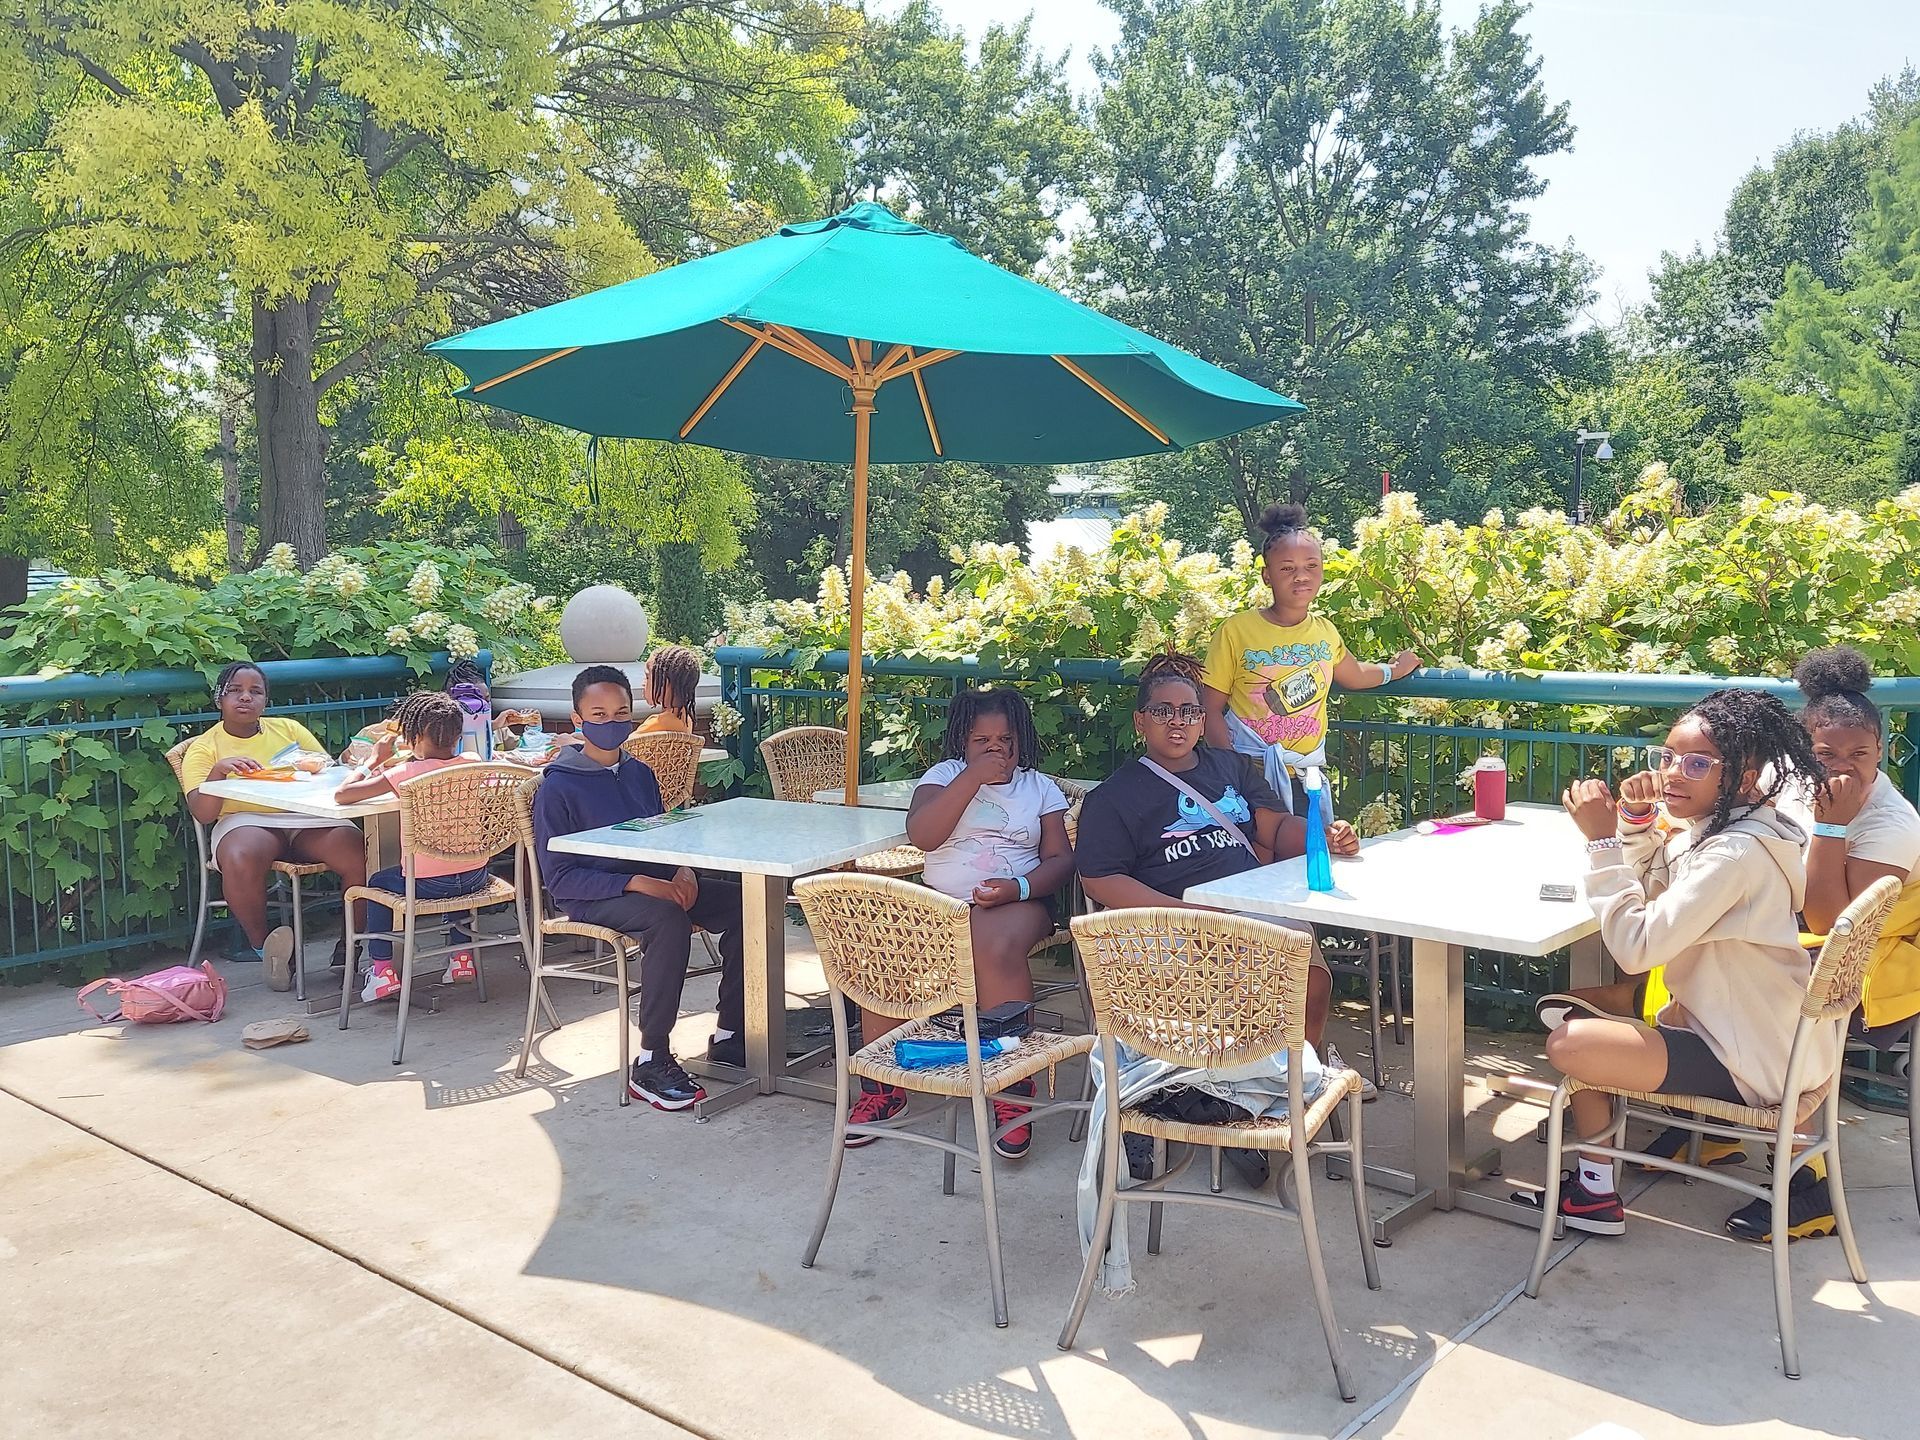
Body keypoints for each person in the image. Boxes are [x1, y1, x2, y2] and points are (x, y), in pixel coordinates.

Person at [1535, 688, 1824, 1238]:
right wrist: (1636, 820)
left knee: (1571, 1041)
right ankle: (1596, 1189)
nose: (1672, 773)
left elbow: (1636, 948)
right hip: (1766, 1038)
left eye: (1696, 764)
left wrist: (1601, 843)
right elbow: (1655, 883)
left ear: (1743, 777)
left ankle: (1594, 1191)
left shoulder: (1733, 853)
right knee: (1579, 1018)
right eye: (1667, 757)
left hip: (1748, 1058)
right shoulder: (1733, 830)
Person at [1075, 653, 1367, 1096]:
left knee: (1305, 969)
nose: (1178, 721)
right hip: (1174, 925)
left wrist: (1322, 838)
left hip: (1249, 905)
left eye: (1190, 711)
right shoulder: (1114, 796)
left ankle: (1289, 1080)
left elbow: (1274, 827)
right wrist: (1182, 913)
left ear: (1201, 720)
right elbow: (1098, 879)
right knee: (1277, 961)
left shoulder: (1231, 767)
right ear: (1140, 721)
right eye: (1162, 711)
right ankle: (1245, 1085)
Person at [845, 688, 1075, 1159]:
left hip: (1018, 901)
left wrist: (1018, 887)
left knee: (991, 946)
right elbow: (924, 836)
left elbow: (1060, 860)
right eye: (982, 741)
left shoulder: (1038, 788)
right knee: (882, 947)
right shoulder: (944, 777)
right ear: (962, 742)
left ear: (1021, 740)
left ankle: (1013, 1087)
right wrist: (972, 778)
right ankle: (882, 1084)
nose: (996, 750)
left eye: (1006, 740)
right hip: (939, 905)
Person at [532, 664, 746, 1111]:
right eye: (599, 714)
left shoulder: (640, 773)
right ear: (577, 719)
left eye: (620, 713)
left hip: (656, 881)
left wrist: (683, 871)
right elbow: (560, 878)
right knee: (667, 920)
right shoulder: (557, 788)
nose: (611, 723)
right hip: (594, 895)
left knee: (747, 904)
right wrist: (639, 883)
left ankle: (733, 1032)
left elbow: (663, 836)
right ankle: (652, 1058)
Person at [1201, 502, 1419, 808]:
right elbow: (1209, 709)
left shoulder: (1325, 631)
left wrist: (1394, 670)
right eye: (1287, 568)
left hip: (1307, 778)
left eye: (1311, 566)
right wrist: (1233, 772)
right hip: (1251, 776)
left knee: (1310, 840)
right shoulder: (1236, 631)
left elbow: (1354, 674)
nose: (1301, 576)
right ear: (1266, 575)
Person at [179, 660, 367, 991]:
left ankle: (352, 946)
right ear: (219, 698)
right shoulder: (205, 748)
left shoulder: (289, 730)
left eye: (255, 691)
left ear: (266, 701)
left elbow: (327, 773)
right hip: (245, 819)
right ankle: (268, 949)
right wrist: (218, 771)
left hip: (305, 814)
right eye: (235, 690)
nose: (245, 698)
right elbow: (204, 814)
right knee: (240, 855)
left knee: (359, 850)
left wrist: (332, 764)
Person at [334, 692, 493, 1000]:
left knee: (378, 883)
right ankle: (461, 957)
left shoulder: (403, 774)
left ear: (414, 737)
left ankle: (382, 970)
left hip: (425, 885)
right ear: (458, 736)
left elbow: (343, 795)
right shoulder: (473, 763)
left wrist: (373, 761)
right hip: (476, 877)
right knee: (455, 866)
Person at [634, 645, 701, 735]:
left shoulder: (657, 723)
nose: (643, 683)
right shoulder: (686, 720)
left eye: (647, 677)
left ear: (664, 682)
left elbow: (627, 743)